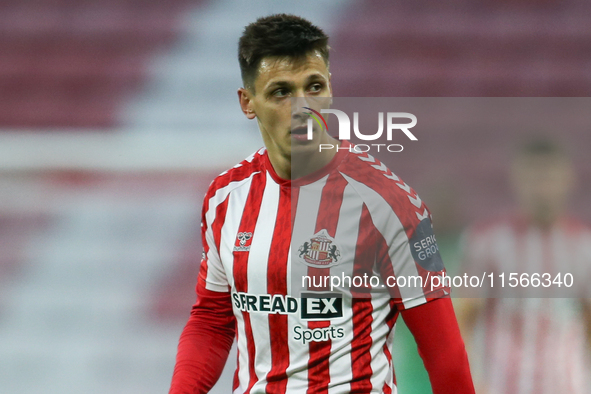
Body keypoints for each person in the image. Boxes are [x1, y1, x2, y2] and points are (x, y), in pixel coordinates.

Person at [169, 14, 474, 394]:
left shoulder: (389, 203)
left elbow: (444, 350)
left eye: (313, 86)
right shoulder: (225, 198)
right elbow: (212, 320)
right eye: (281, 92)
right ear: (248, 102)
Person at [458, 139, 591, 394]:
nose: (542, 187)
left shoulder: (584, 244)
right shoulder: (487, 240)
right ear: (517, 179)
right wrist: (471, 379)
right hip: (503, 386)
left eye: (549, 176)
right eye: (533, 176)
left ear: (568, 179)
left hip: (568, 386)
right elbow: (464, 316)